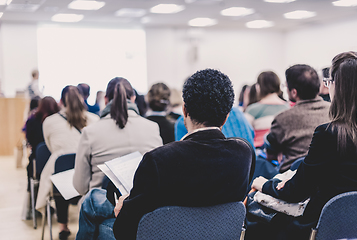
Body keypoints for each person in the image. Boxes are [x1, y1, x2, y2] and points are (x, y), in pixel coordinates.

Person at [76, 68, 255, 240]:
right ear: (226, 117)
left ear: (184, 110)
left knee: (101, 221)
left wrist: (123, 210)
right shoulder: (244, 154)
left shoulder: (158, 160)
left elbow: (125, 231)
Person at [251, 51, 357, 240]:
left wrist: (267, 184)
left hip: (320, 226)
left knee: (256, 221)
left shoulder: (328, 134)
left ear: (339, 87)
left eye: (329, 83)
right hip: (352, 227)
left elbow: (296, 192)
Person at [73, 77, 162, 197]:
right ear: (133, 98)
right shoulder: (152, 128)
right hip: (144, 207)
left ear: (105, 100)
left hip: (103, 210)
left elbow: (81, 187)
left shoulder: (90, 132)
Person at [36, 85, 99, 240]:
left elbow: (52, 149)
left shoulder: (49, 121)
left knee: (60, 174)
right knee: (73, 172)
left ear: (61, 101)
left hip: (62, 182)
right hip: (89, 181)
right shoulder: (94, 119)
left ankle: (63, 227)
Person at [265, 64, 331, 173]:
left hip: (291, 177)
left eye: (286, 86)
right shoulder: (334, 111)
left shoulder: (282, 119)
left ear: (294, 92)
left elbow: (271, 155)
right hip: (328, 175)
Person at [245, 71, 289, 148]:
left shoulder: (252, 110)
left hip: (259, 153)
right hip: (283, 153)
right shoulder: (288, 108)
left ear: (259, 86)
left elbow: (246, 135)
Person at [25, 96, 59, 191]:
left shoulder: (32, 120)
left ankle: (33, 196)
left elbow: (29, 140)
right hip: (58, 162)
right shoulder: (59, 121)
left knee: (31, 167)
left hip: (38, 161)